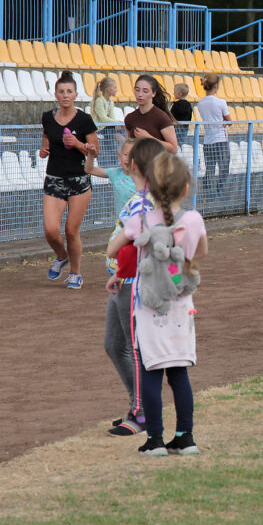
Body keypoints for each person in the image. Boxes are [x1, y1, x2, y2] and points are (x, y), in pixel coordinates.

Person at [107, 152, 208, 456]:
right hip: (179, 303)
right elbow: (200, 252)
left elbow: (114, 249)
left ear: (149, 189)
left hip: (148, 305)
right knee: (178, 372)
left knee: (150, 370)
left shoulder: (141, 220)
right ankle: (185, 436)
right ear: (186, 188)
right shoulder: (193, 219)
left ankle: (155, 440)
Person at [91, 138, 164, 437]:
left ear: (134, 164)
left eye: (126, 155)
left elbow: (124, 245)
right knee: (115, 345)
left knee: (133, 349)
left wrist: (121, 268)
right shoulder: (141, 197)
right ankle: (138, 406)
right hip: (124, 279)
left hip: (134, 284)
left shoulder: (143, 202)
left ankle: (142, 412)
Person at [40, 71, 100, 289]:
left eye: (69, 92)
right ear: (55, 94)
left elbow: (95, 151)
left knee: (71, 230)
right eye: (61, 91)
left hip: (79, 181)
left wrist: (79, 144)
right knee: (50, 230)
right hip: (54, 179)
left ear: (75, 94)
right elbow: (46, 135)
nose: (65, 95)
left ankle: (75, 273)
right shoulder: (47, 117)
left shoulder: (84, 120)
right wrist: (44, 148)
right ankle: (61, 255)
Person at [196, 73, 232, 196]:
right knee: (223, 167)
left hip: (208, 140)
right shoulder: (221, 102)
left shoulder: (200, 103)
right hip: (220, 139)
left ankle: (207, 193)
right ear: (216, 85)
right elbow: (229, 121)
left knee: (210, 168)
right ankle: (219, 192)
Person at [123, 74, 178, 154]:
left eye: (145, 91)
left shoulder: (161, 117)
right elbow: (130, 146)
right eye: (137, 90)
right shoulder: (129, 118)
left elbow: (173, 149)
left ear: (153, 93)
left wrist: (148, 138)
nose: (140, 94)